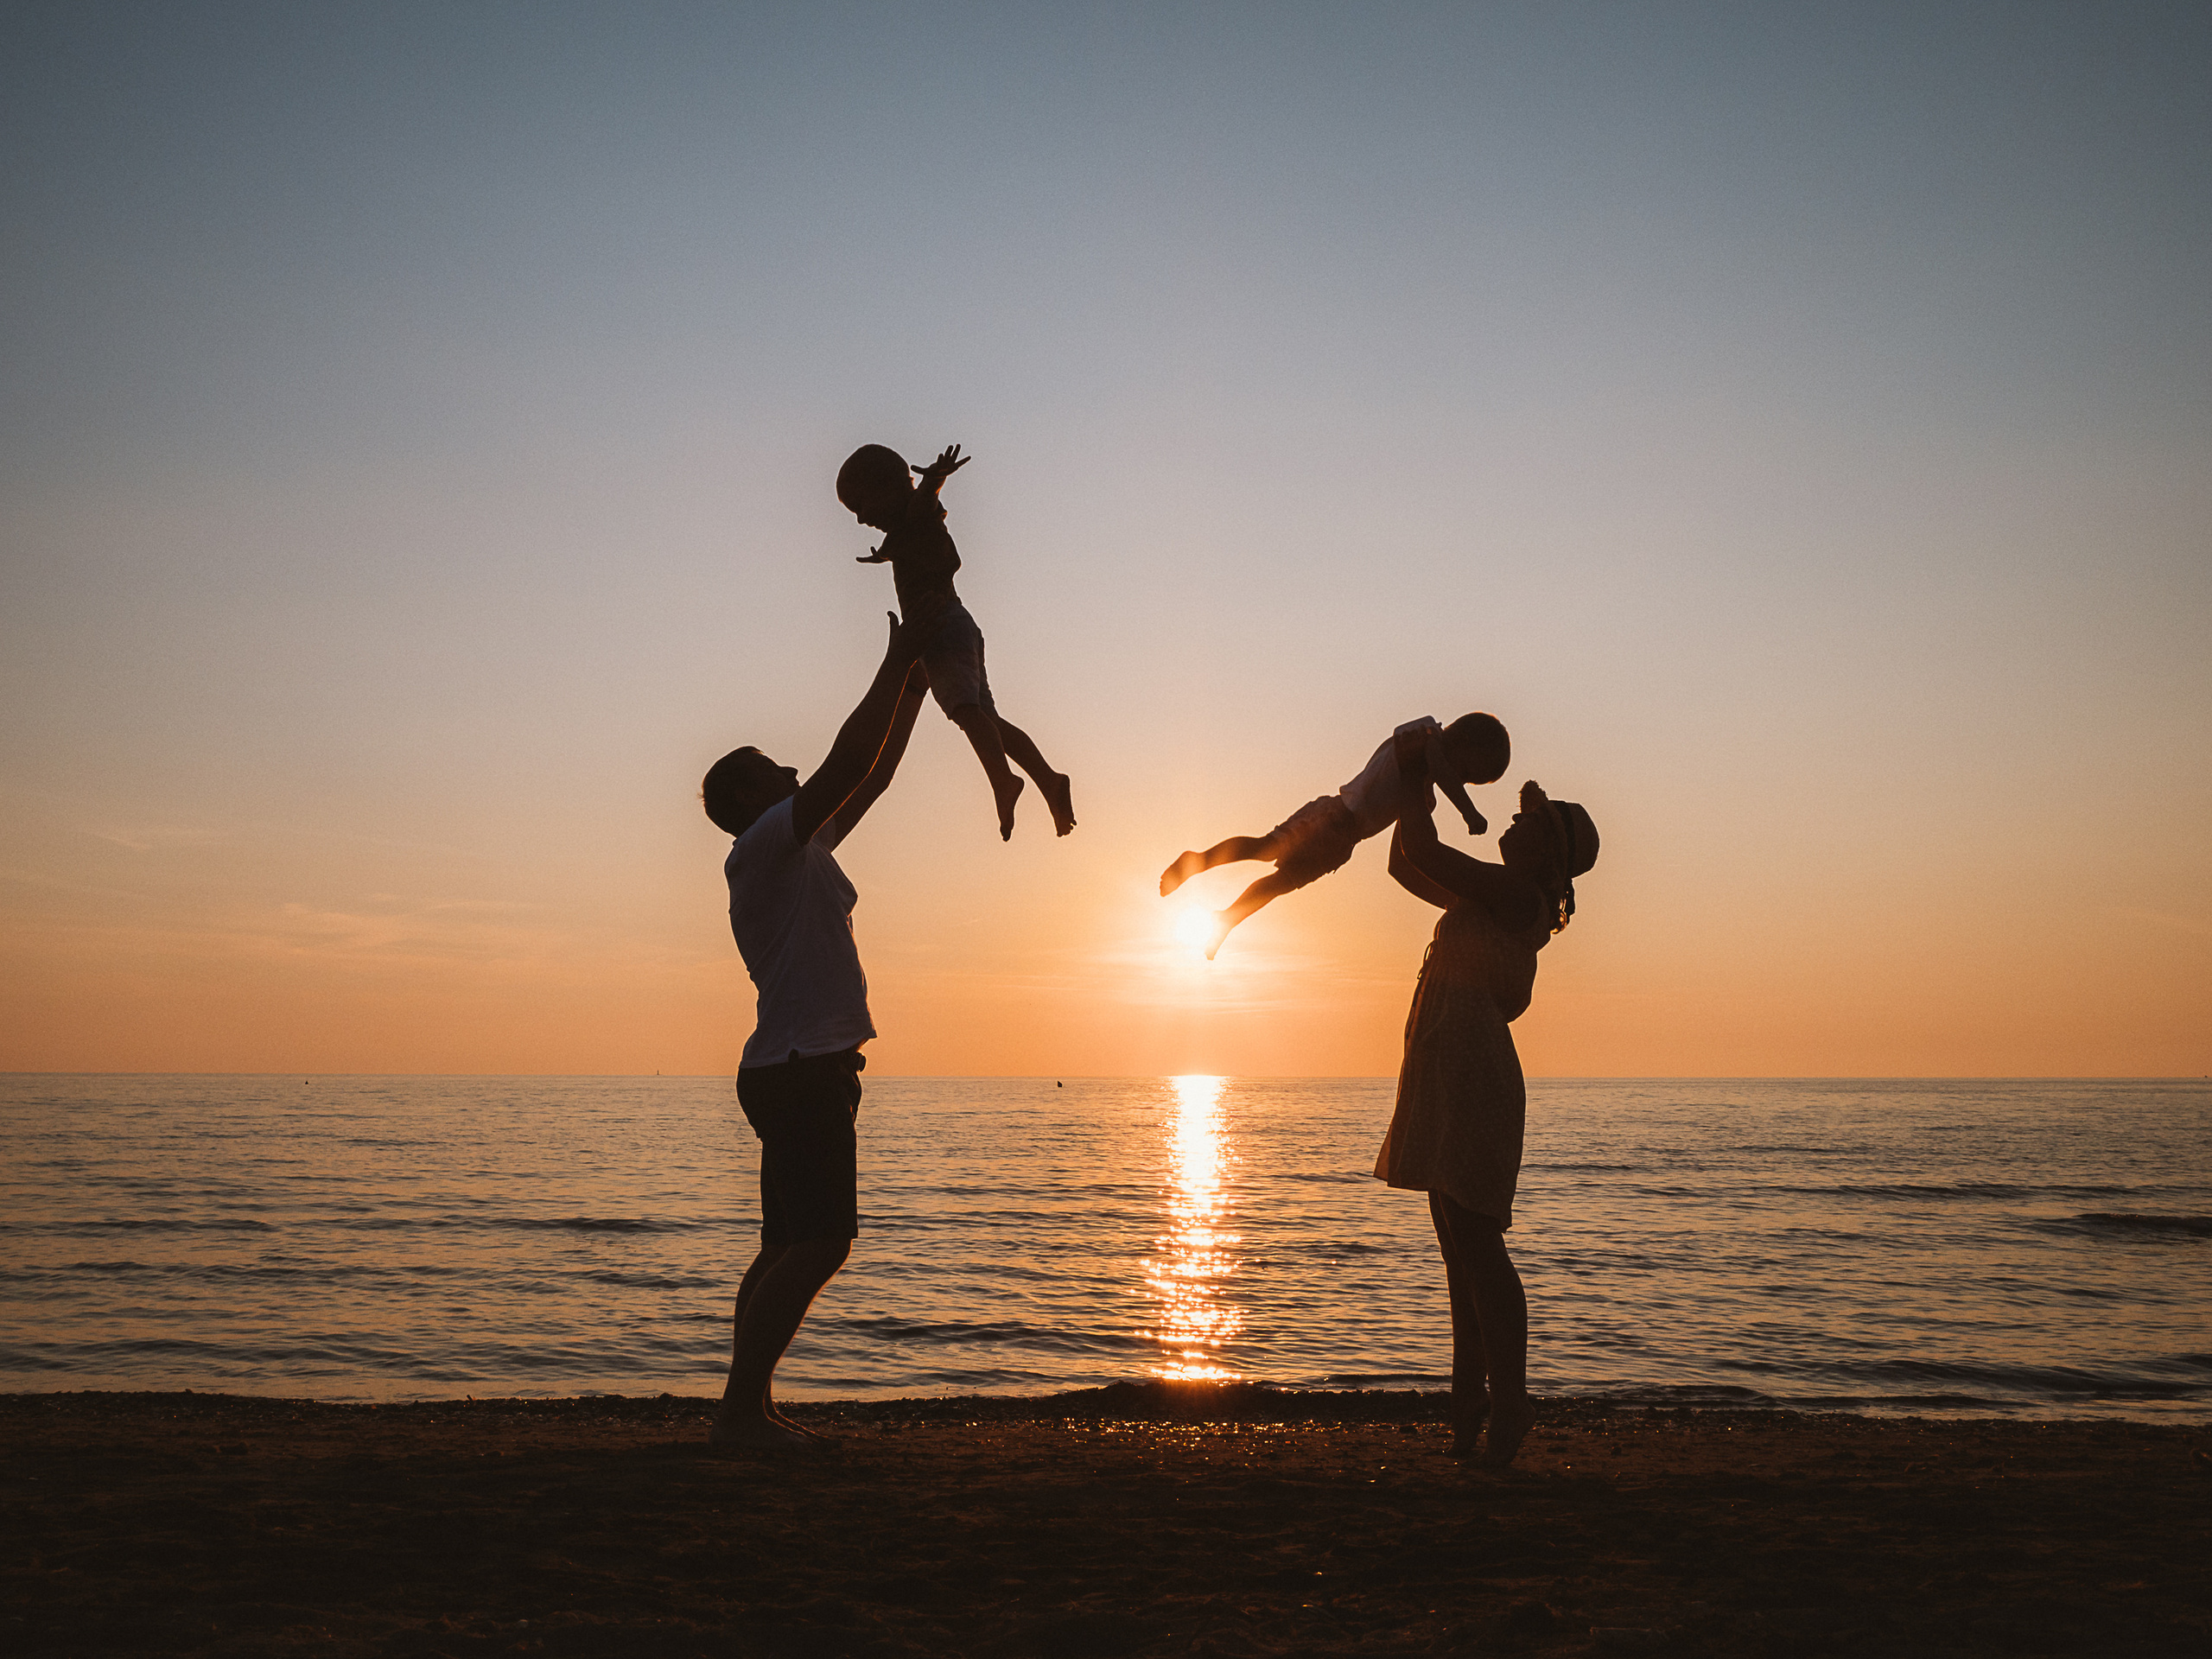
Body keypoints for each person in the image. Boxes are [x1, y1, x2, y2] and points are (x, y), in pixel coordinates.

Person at [696, 613, 928, 1452]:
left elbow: (868, 775)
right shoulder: (764, 843)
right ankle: (737, 1414)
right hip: (799, 1070)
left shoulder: (795, 851)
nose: (791, 772)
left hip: (791, 1066)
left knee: (785, 1244)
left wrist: (911, 690)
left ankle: (745, 1410)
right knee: (822, 1240)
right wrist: (893, 656)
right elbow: (837, 768)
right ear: (747, 803)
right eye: (771, 772)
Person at [1374, 770, 1599, 1466]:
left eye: (1525, 821)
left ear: (1545, 855)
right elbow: (1404, 861)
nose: (1511, 821)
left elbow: (1430, 854)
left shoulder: (1513, 895)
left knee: (1476, 1248)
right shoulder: (1494, 896)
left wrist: (1417, 773)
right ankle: (1470, 1397)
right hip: (1447, 1067)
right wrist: (1410, 783)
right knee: (1458, 1251)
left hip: (1472, 1075)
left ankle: (1510, 1401)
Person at [837, 442, 1076, 842]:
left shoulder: (917, 509)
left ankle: (1003, 780)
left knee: (965, 712)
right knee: (987, 719)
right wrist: (887, 555)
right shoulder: (906, 528)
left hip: (941, 628)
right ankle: (1049, 780)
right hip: (957, 624)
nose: (861, 519)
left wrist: (934, 480)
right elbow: (914, 532)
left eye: (862, 505)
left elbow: (922, 502)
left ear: (891, 488)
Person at [1158, 713, 1510, 957]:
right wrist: (1468, 811)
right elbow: (1435, 761)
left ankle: (1227, 918)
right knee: (1264, 849)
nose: (1459, 781)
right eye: (1465, 771)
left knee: (1278, 882)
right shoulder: (1425, 734)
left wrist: (1454, 899)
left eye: (1469, 783)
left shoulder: (1423, 794)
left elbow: (1402, 858)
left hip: (1343, 841)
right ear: (1462, 739)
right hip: (1334, 817)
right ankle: (1197, 862)